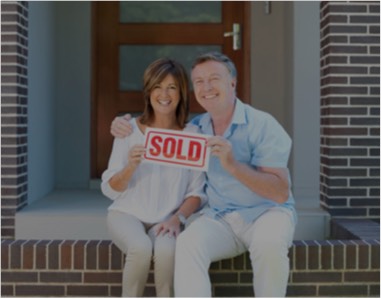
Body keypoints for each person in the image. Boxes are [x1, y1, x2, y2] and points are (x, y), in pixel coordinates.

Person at [111, 52, 296, 297]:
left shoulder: (262, 125)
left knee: (269, 244)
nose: (206, 87)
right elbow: (159, 127)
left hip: (266, 213)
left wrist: (233, 166)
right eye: (199, 81)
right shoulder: (196, 128)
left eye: (214, 78)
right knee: (187, 243)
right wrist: (124, 123)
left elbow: (280, 192)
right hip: (220, 218)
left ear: (232, 83)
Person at [101, 58, 206, 297]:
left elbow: (197, 193)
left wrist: (177, 218)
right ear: (148, 92)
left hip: (167, 219)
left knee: (167, 251)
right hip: (127, 214)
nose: (164, 94)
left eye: (172, 87)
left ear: (181, 93)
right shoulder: (128, 130)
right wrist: (131, 166)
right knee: (140, 247)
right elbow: (110, 189)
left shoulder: (192, 136)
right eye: (157, 86)